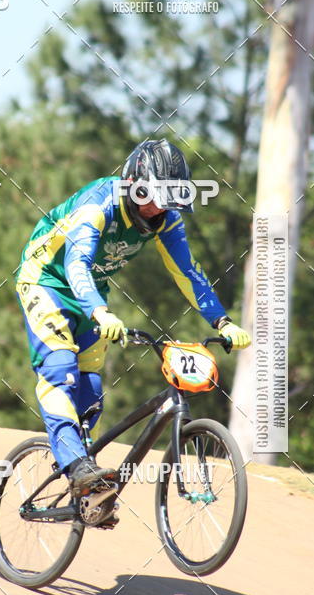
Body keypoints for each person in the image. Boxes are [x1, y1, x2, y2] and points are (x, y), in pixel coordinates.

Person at [16, 139, 251, 523]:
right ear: (132, 182)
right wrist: (100, 312)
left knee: (90, 391)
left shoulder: (166, 219)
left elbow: (187, 272)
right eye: (154, 197)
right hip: (46, 282)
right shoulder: (98, 206)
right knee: (60, 371)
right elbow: (77, 263)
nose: (159, 209)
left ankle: (89, 490)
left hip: (94, 294)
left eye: (169, 200)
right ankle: (77, 467)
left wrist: (222, 321)